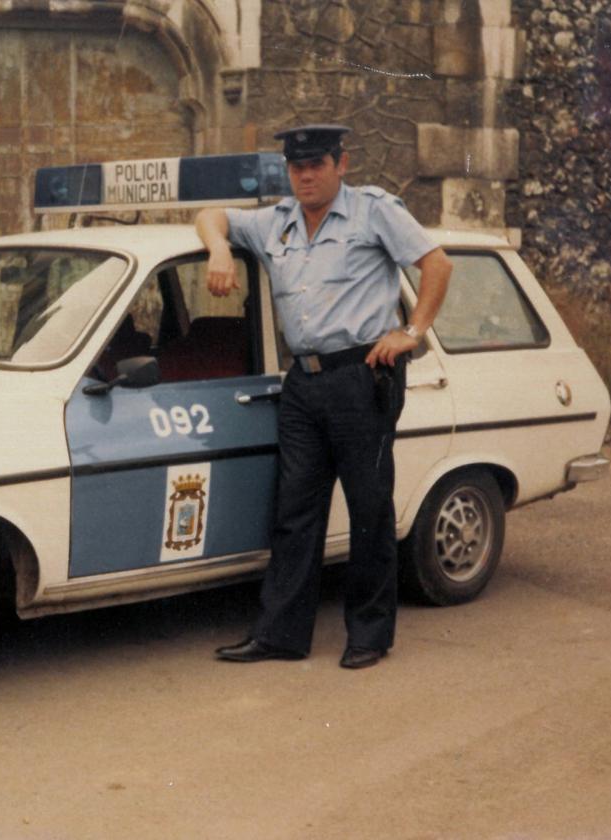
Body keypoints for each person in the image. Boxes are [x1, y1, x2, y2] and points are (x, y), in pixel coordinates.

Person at [196, 125, 452, 669]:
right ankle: (280, 636)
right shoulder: (276, 221)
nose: (306, 176)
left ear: (342, 163)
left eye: (316, 165)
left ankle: (368, 636)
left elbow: (437, 264)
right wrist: (219, 248)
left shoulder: (372, 211)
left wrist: (414, 330)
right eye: (297, 167)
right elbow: (211, 216)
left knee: (368, 509)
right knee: (294, 513)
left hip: (363, 377)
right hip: (304, 383)